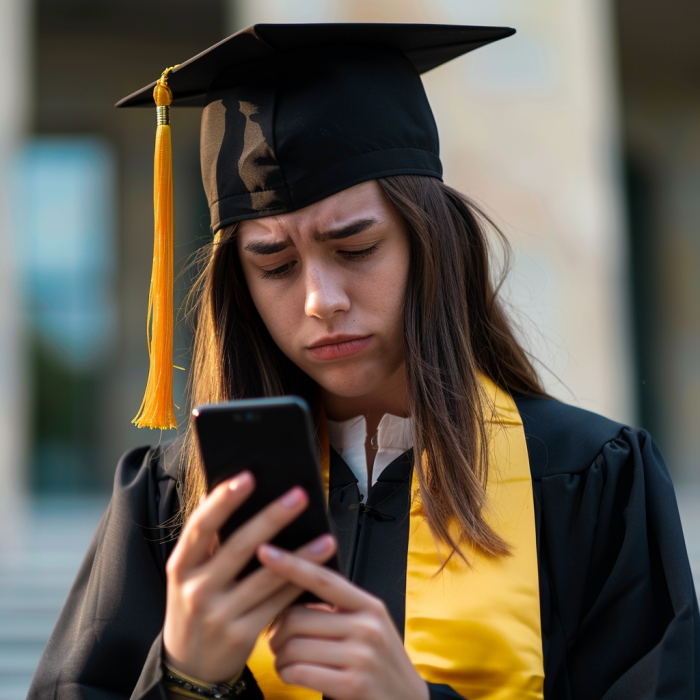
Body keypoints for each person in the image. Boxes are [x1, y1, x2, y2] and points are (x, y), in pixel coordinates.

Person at [28, 22, 699, 700]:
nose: (321, 299)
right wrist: (185, 678)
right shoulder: (178, 502)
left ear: (429, 242)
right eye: (275, 264)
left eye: (356, 249)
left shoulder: (587, 478)